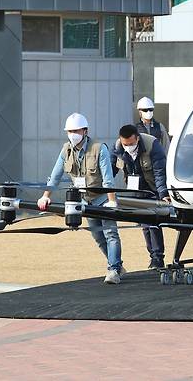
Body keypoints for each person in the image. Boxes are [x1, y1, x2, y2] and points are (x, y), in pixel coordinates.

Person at [37, 113, 125, 284]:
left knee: (110, 234)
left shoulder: (100, 148)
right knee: (98, 236)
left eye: (75, 130)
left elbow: (108, 178)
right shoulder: (66, 150)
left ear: (85, 131)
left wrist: (112, 201)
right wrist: (45, 196)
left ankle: (113, 270)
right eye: (69, 131)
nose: (72, 134)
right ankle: (117, 265)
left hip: (103, 199)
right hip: (85, 200)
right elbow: (55, 176)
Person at [112, 124, 171, 269]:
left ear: (137, 138)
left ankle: (158, 258)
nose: (128, 147)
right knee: (144, 224)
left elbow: (159, 172)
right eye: (125, 144)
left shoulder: (152, 145)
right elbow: (110, 168)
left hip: (152, 189)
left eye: (131, 144)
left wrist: (163, 194)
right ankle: (153, 256)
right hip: (135, 190)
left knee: (153, 223)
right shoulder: (118, 147)